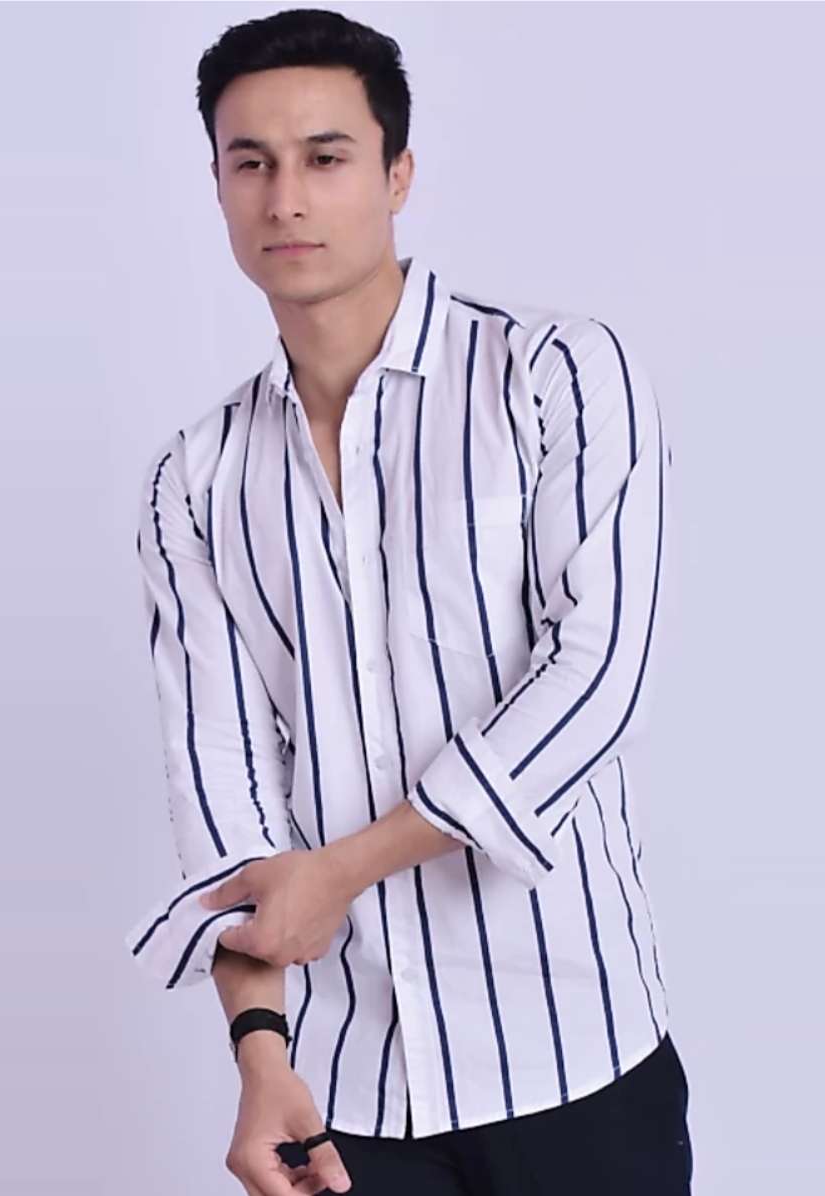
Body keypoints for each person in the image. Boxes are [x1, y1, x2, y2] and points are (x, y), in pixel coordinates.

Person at [124, 7, 693, 1195]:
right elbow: (223, 798)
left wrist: (344, 867)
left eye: (325, 157)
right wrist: (260, 1054)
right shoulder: (196, 482)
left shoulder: (553, 375)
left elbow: (597, 675)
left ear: (397, 174)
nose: (286, 198)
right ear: (217, 187)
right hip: (348, 1093)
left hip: (573, 1054)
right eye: (250, 162)